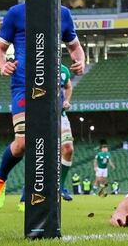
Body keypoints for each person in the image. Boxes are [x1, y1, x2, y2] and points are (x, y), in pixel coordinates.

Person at [0, 3, 84, 209]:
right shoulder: (15, 13)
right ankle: (0, 178)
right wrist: (2, 65)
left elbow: (74, 46)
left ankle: (33, 194)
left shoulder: (63, 14)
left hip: (51, 88)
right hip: (23, 84)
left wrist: (80, 61)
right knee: (23, 143)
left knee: (52, 145)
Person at [59, 63, 76, 201]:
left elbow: (68, 86)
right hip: (41, 116)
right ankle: (28, 191)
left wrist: (66, 101)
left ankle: (60, 186)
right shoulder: (37, 66)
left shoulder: (63, 70)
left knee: (68, 149)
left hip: (60, 114)